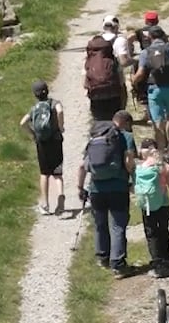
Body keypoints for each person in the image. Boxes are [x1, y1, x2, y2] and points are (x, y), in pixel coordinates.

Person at [76, 110, 140, 273]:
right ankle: (118, 264)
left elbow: (82, 166)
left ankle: (102, 257)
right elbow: (128, 162)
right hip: (118, 187)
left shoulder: (94, 137)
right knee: (118, 225)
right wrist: (132, 177)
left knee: (100, 224)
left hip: (96, 188)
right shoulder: (125, 137)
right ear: (125, 122)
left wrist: (80, 187)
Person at [133, 25, 169, 160]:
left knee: (157, 121)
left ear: (150, 37)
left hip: (154, 89)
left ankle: (161, 151)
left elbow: (141, 73)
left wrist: (133, 81)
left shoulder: (145, 52)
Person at [133, 139, 169, 277]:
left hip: (146, 205)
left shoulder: (140, 168)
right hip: (163, 203)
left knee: (151, 233)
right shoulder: (162, 166)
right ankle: (167, 258)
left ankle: (157, 263)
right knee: (163, 230)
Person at [19, 81, 66, 215]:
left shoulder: (34, 108)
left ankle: (45, 204)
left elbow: (22, 123)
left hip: (42, 143)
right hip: (56, 140)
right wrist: (61, 127)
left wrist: (33, 134)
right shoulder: (54, 103)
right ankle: (61, 197)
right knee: (58, 172)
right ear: (47, 90)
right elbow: (60, 111)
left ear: (35, 94)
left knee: (44, 173)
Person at [84, 27, 126, 121]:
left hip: (96, 96)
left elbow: (85, 84)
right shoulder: (113, 60)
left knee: (99, 121)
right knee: (114, 121)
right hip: (114, 95)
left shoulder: (89, 62)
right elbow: (121, 82)